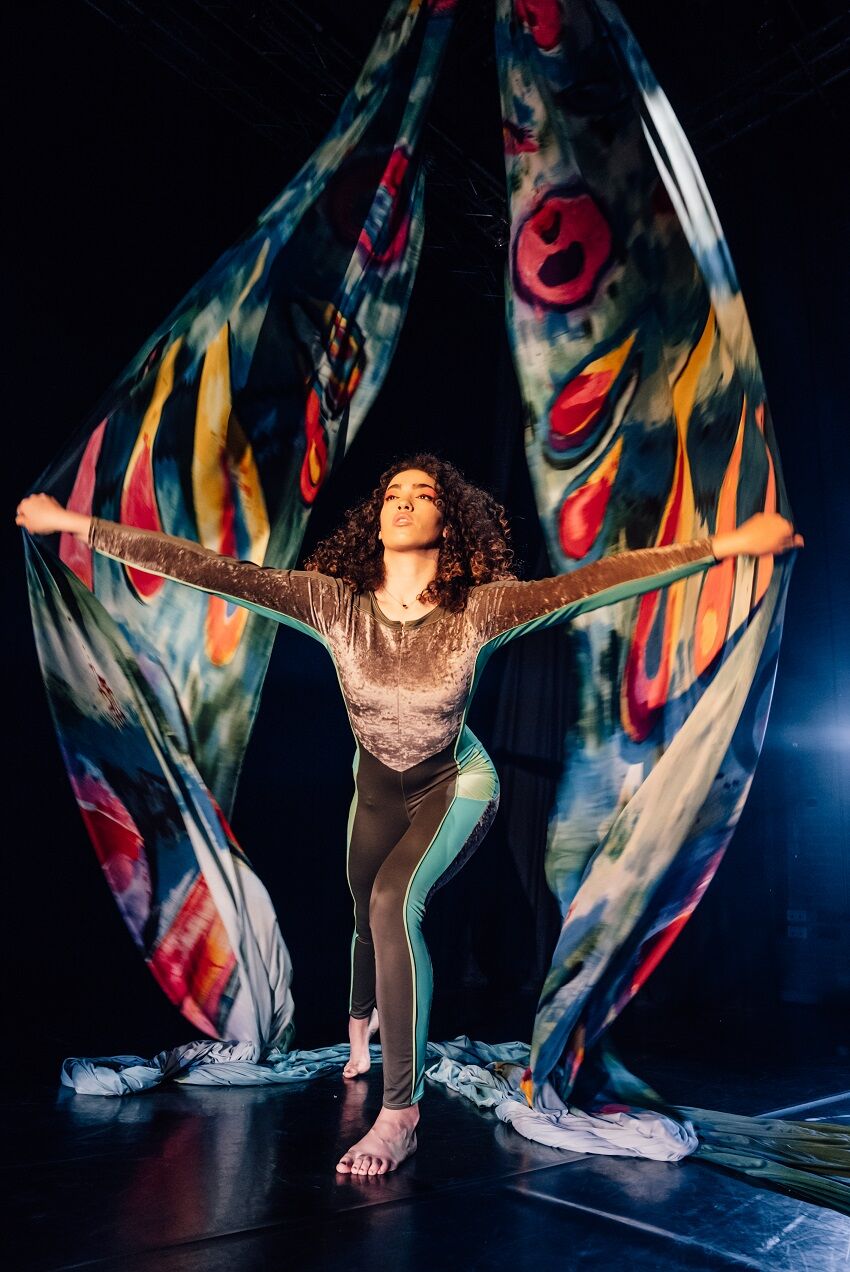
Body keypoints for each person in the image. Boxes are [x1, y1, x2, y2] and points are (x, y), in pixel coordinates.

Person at [16, 454, 803, 1176]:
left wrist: (728, 545)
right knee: (365, 910)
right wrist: (74, 524)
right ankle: (360, 1031)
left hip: (456, 784)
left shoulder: (481, 611)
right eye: (392, 492)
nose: (402, 502)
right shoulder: (331, 603)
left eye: (422, 495)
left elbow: (599, 581)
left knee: (396, 901)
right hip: (374, 786)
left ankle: (400, 1114)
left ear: (446, 524)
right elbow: (205, 568)